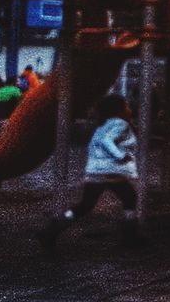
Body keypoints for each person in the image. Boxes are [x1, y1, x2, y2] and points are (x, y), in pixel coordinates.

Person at [38, 95, 142, 251]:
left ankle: (52, 230)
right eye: (126, 106)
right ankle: (130, 237)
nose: (129, 109)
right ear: (118, 110)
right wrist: (121, 156)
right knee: (130, 197)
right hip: (110, 171)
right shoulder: (119, 123)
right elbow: (107, 141)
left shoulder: (104, 124)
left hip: (96, 170)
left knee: (86, 205)